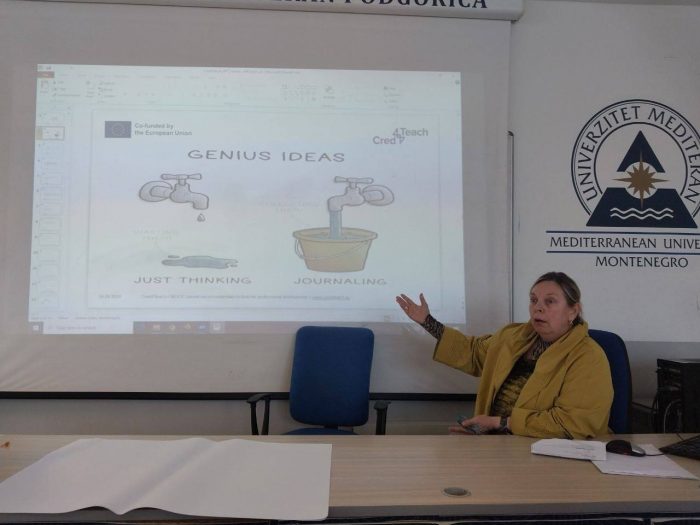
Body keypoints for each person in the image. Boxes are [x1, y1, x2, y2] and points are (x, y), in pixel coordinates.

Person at [396, 271, 613, 439]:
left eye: (550, 301)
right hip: (496, 444)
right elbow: (473, 352)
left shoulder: (589, 357)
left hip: (551, 457)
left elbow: (573, 423)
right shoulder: (514, 337)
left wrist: (500, 424)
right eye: (533, 300)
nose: (538, 308)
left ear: (573, 311)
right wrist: (428, 322)